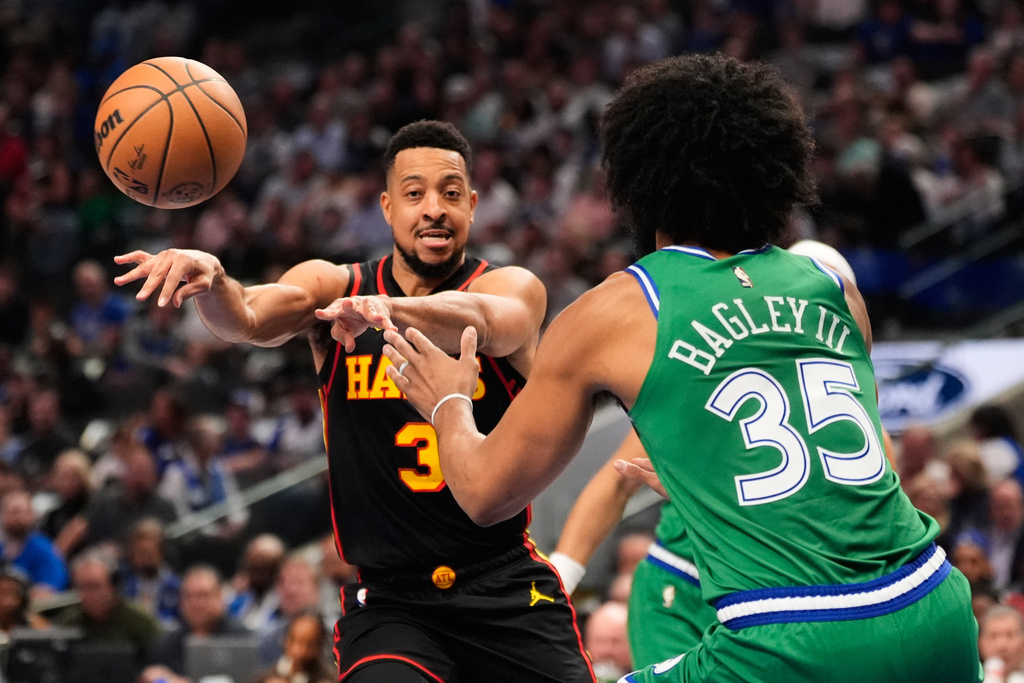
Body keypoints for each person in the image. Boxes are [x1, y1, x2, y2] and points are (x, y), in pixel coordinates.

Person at [382, 55, 980, 682]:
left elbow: (483, 494)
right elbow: (847, 465)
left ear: (640, 179)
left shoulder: (614, 310)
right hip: (934, 603)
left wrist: (449, 403)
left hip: (794, 634)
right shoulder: (834, 286)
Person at [114, 119, 594, 682]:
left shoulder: (509, 285)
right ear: (388, 208)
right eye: (415, 194)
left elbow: (491, 322)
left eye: (451, 193)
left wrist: (390, 310)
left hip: (503, 583)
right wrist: (215, 278)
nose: (434, 208)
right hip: (393, 603)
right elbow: (248, 317)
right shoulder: (334, 287)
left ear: (473, 206)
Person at [143, 564, 251, 680]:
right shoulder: (166, 643)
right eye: (188, 596)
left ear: (220, 597)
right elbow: (152, 675)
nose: (195, 604)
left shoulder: (243, 640)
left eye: (203, 595)